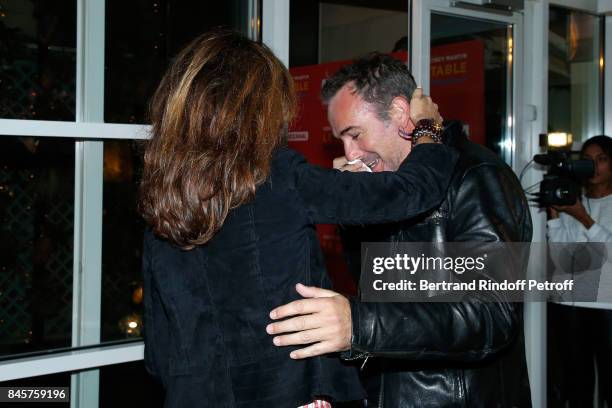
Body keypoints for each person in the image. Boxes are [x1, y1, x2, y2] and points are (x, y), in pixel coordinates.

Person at [138, 31, 457, 407]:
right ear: (262, 110)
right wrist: (427, 130)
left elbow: (159, 356)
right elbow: (412, 191)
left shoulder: (163, 206)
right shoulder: (280, 177)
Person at [266, 53, 533, 407]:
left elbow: (492, 314)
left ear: (399, 113)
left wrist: (358, 324)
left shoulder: (475, 175)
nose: (349, 153)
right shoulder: (383, 185)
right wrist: (358, 208)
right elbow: (380, 288)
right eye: (340, 140)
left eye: (354, 135)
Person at [547, 135, 612, 407]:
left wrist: (582, 217)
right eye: (587, 161)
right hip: (573, 304)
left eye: (602, 160)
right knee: (577, 387)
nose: (594, 167)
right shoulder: (572, 199)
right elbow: (562, 258)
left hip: (608, 306)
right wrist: (555, 215)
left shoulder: (582, 208)